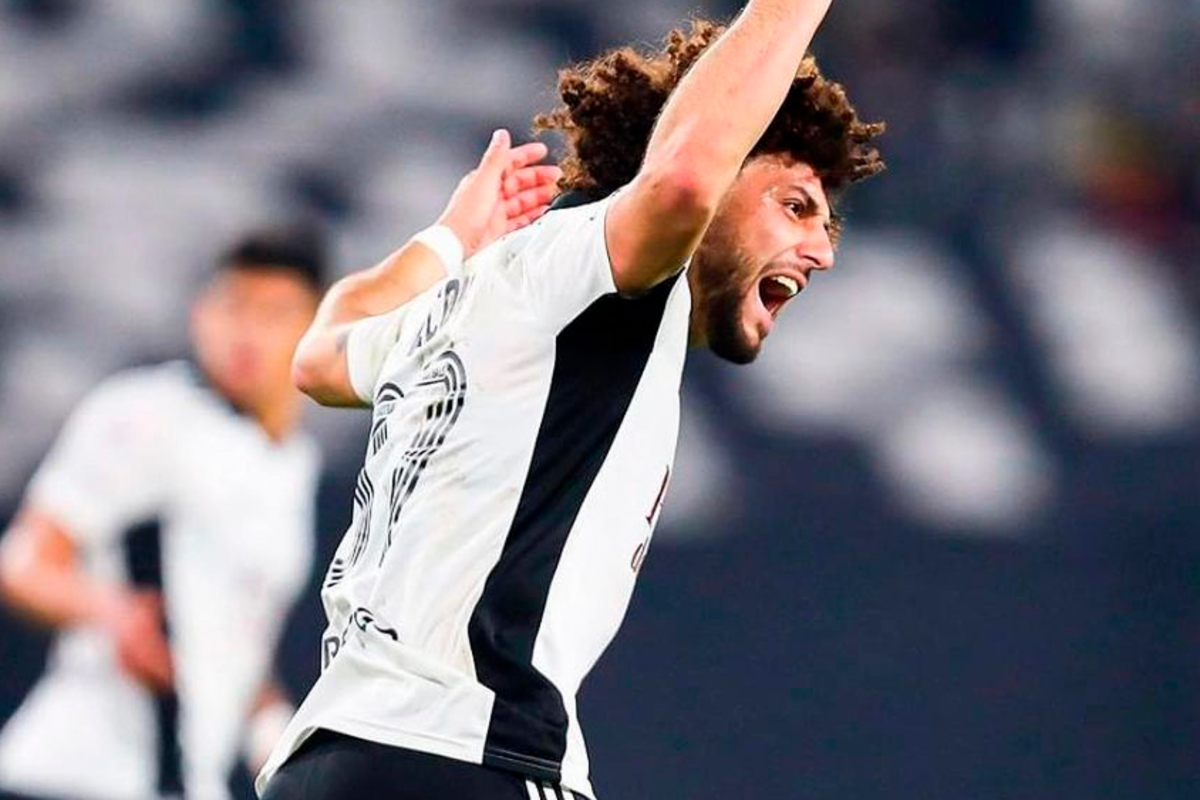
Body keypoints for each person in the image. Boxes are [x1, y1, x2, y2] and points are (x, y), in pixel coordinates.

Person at [259, 2, 885, 799]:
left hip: (326, 763)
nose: (823, 251)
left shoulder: (478, 298)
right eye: (794, 205)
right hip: (466, 753)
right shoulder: (593, 276)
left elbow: (318, 357)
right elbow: (686, 177)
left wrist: (448, 239)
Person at [0, 227, 330, 800]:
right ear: (201, 312)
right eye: (233, 304)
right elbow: (24, 563)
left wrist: (276, 737)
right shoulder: (148, 414)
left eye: (275, 312)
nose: (246, 331)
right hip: (75, 774)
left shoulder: (294, 464)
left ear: (319, 328)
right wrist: (109, 610)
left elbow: (236, 644)